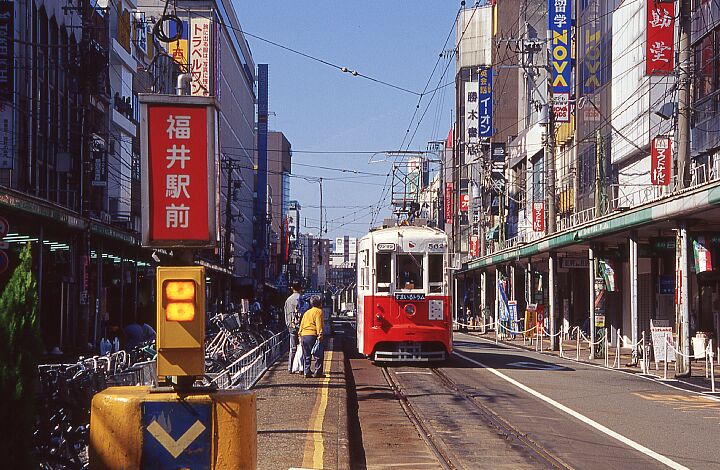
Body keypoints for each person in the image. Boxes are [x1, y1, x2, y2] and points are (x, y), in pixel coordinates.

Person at [299, 295, 324, 378]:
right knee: (318, 355)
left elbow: (302, 324)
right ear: (320, 303)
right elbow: (319, 324)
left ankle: (307, 371)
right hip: (312, 335)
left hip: (304, 335)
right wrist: (320, 334)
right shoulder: (319, 311)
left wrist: (300, 334)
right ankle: (318, 372)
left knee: (306, 355)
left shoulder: (307, 312)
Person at [284, 281, 303, 373]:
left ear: (292, 288)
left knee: (293, 348)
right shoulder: (302, 299)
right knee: (302, 347)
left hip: (291, 325)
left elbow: (285, 313)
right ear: (301, 287)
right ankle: (301, 368)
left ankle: (290, 367)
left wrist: (288, 323)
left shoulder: (288, 300)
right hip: (301, 326)